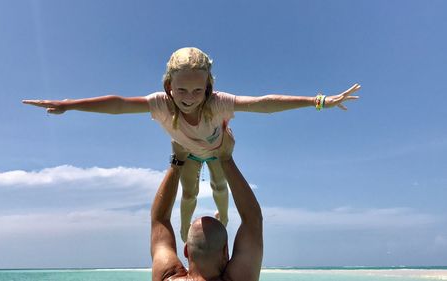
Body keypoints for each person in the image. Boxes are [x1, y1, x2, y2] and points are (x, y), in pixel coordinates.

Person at [23, 47, 360, 242]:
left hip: (217, 150)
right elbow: (119, 103)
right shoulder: (162, 103)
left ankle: (223, 221)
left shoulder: (218, 103)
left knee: (218, 184)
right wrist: (71, 104)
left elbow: (264, 103)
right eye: (181, 90)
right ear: (169, 86)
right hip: (185, 152)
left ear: (208, 88)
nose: (188, 98)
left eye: (197, 90)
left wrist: (319, 101)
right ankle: (186, 233)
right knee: (187, 194)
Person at [151, 130, 263, 281]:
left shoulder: (168, 278)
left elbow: (159, 219)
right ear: (226, 252)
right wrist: (226, 159)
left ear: (186, 251)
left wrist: (177, 161)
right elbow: (253, 220)